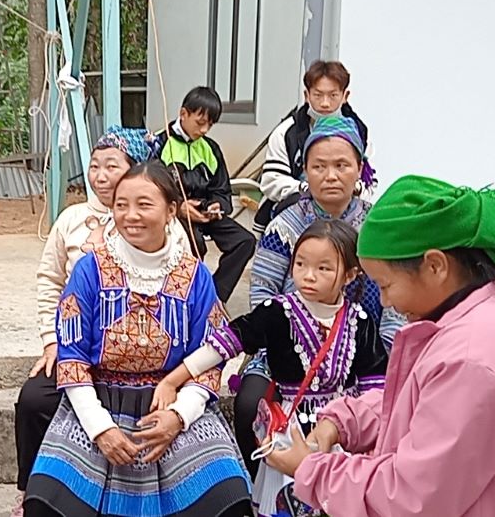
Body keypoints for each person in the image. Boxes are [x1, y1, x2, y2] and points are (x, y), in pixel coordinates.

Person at [267, 175, 495, 515]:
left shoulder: (474, 358)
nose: (384, 302)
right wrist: (341, 421)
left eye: (385, 285)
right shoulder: (474, 316)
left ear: (435, 265)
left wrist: (311, 470)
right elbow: (418, 404)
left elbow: (412, 497)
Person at [24, 162, 251, 517]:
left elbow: (210, 357)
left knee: (226, 497)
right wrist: (101, 430)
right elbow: (72, 358)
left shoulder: (194, 276)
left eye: (144, 204)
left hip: (170, 401)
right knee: (48, 501)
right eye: (121, 205)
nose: (131, 215)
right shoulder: (89, 270)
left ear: (171, 210)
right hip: (99, 400)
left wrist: (178, 416)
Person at [153, 219, 387, 515]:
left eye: (323, 268)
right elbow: (225, 343)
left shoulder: (360, 320)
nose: (308, 276)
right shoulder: (277, 312)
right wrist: (173, 380)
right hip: (292, 431)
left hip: (344, 435)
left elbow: (375, 386)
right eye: (300, 264)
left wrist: (370, 440)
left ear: (351, 275)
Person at [12, 126, 189, 515]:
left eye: (113, 165)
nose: (101, 175)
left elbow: (193, 307)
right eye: (95, 165)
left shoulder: (170, 233)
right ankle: (31, 487)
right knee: (33, 398)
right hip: (79, 346)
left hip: (157, 365)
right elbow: (50, 281)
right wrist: (52, 341)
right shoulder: (73, 220)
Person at [235, 115, 398, 480]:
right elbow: (262, 290)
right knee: (248, 405)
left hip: (360, 350)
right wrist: (276, 345)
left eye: (342, 165)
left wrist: (385, 350)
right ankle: (260, 487)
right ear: (305, 171)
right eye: (318, 166)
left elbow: (395, 298)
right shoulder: (285, 225)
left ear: (360, 168)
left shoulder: (377, 231)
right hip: (287, 350)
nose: (330, 175)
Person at [152, 86, 256, 303]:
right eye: (200, 122)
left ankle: (214, 297)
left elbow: (221, 188)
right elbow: (152, 188)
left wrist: (217, 206)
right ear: (183, 114)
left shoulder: (210, 148)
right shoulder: (159, 144)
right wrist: (179, 206)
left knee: (244, 241)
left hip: (204, 213)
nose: (205, 129)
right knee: (193, 241)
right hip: (175, 214)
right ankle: (184, 297)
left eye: (210, 124)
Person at [254, 60, 371, 235]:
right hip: (296, 206)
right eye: (318, 95)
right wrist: (308, 188)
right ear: (306, 95)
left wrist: (355, 188)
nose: (325, 103)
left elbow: (369, 180)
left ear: (345, 96)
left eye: (333, 95)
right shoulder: (286, 133)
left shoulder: (360, 133)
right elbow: (271, 181)